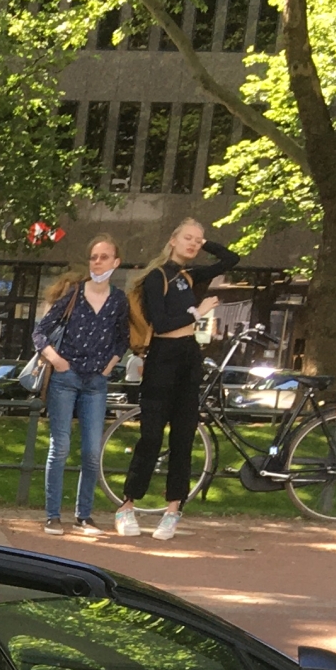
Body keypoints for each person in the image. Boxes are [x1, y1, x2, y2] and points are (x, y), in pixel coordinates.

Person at [114, 219, 241, 539]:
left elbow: (230, 260)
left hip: (188, 358)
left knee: (183, 437)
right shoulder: (158, 277)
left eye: (197, 241)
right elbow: (162, 321)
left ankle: (173, 509)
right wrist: (199, 312)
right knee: (152, 436)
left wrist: (204, 240)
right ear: (172, 240)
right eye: (187, 238)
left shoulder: (189, 275)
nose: (193, 245)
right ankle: (127, 504)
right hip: (162, 359)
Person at [33, 234, 126, 535]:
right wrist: (56, 360)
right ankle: (52, 515)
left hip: (96, 382)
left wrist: (110, 364)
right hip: (66, 378)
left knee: (91, 452)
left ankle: (83, 515)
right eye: (94, 257)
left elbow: (122, 338)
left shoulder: (118, 299)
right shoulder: (73, 293)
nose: (98, 262)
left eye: (104, 257)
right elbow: (40, 332)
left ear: (116, 262)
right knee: (59, 447)